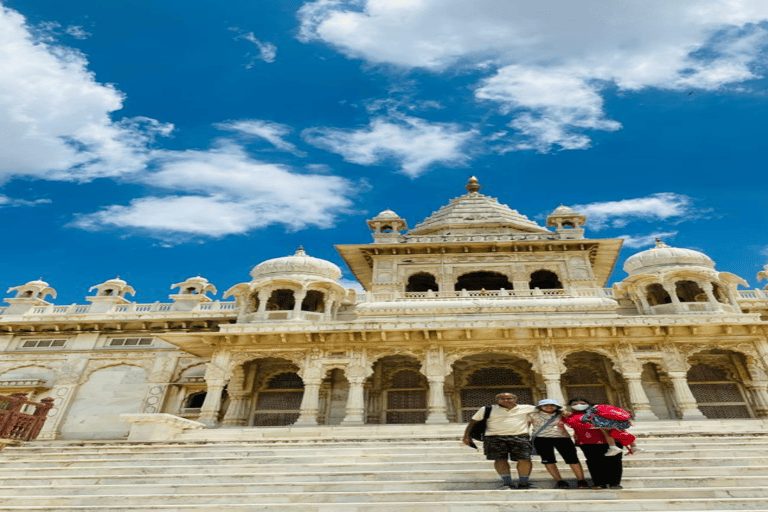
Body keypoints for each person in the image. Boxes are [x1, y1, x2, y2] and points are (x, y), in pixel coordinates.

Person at [462, 392, 536, 489]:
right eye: (502, 399)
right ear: (497, 400)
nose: (506, 400)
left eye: (509, 398)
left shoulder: (527, 408)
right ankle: (507, 483)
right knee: (500, 459)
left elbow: (547, 409)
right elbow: (473, 422)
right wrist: (466, 436)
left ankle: (523, 483)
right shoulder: (487, 409)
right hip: (494, 437)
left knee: (525, 459)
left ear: (515, 399)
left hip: (520, 436)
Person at [562, 397, 625, 489]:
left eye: (582, 403)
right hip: (588, 442)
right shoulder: (570, 416)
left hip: (611, 441)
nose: (579, 405)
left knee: (614, 462)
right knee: (594, 463)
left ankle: (615, 483)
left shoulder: (599, 412)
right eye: (575, 404)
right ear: (570, 406)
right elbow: (573, 424)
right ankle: (599, 483)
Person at [527, 399, 589, 489]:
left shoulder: (562, 414)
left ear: (556, 407)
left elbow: (574, 422)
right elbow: (526, 426)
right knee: (548, 460)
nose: (549, 407)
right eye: (545, 405)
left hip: (563, 438)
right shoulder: (532, 415)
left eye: (552, 405)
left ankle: (581, 480)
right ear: (540, 407)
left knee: (573, 459)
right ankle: (559, 481)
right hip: (541, 439)